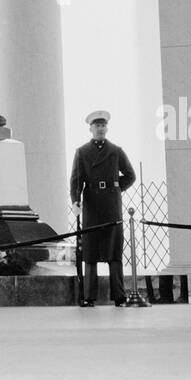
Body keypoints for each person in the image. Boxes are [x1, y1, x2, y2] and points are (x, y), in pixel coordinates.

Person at [70, 110, 136, 307]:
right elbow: (76, 180)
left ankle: (119, 296)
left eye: (103, 126)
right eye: (96, 126)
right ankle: (89, 296)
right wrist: (76, 200)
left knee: (113, 251)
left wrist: (115, 188)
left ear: (107, 128)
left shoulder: (116, 150)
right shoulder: (82, 152)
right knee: (90, 251)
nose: (100, 129)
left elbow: (130, 175)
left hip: (111, 205)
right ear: (90, 129)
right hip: (91, 204)